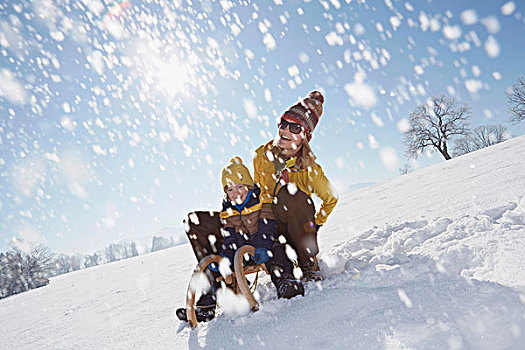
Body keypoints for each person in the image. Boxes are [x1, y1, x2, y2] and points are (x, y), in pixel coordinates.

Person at [176, 157, 303, 324]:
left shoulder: (261, 199)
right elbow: (230, 239)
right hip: (242, 252)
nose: (235, 193)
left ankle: (285, 281)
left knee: (277, 252)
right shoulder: (228, 210)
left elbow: (268, 226)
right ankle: (205, 307)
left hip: (266, 243)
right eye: (230, 189)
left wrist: (262, 247)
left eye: (240, 187)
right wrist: (225, 259)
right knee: (216, 270)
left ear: (249, 186)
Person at [253, 90, 338, 284]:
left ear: (305, 136)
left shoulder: (310, 169)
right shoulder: (261, 156)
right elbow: (259, 191)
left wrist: (316, 225)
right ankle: (279, 268)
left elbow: (331, 197)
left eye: (295, 128)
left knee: (291, 195)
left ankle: (308, 262)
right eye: (283, 124)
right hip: (271, 223)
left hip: (298, 224)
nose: (285, 131)